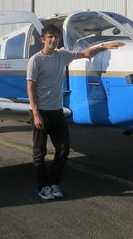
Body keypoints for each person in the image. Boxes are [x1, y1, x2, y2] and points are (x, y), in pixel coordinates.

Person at [26, 24, 123, 200]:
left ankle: (53, 183)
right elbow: (30, 87)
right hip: (41, 112)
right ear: (43, 39)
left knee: (63, 149)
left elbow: (84, 54)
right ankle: (42, 187)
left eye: (55, 37)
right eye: (50, 37)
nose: (53, 40)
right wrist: (35, 113)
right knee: (39, 152)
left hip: (57, 111)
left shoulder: (62, 55)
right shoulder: (36, 60)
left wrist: (102, 46)